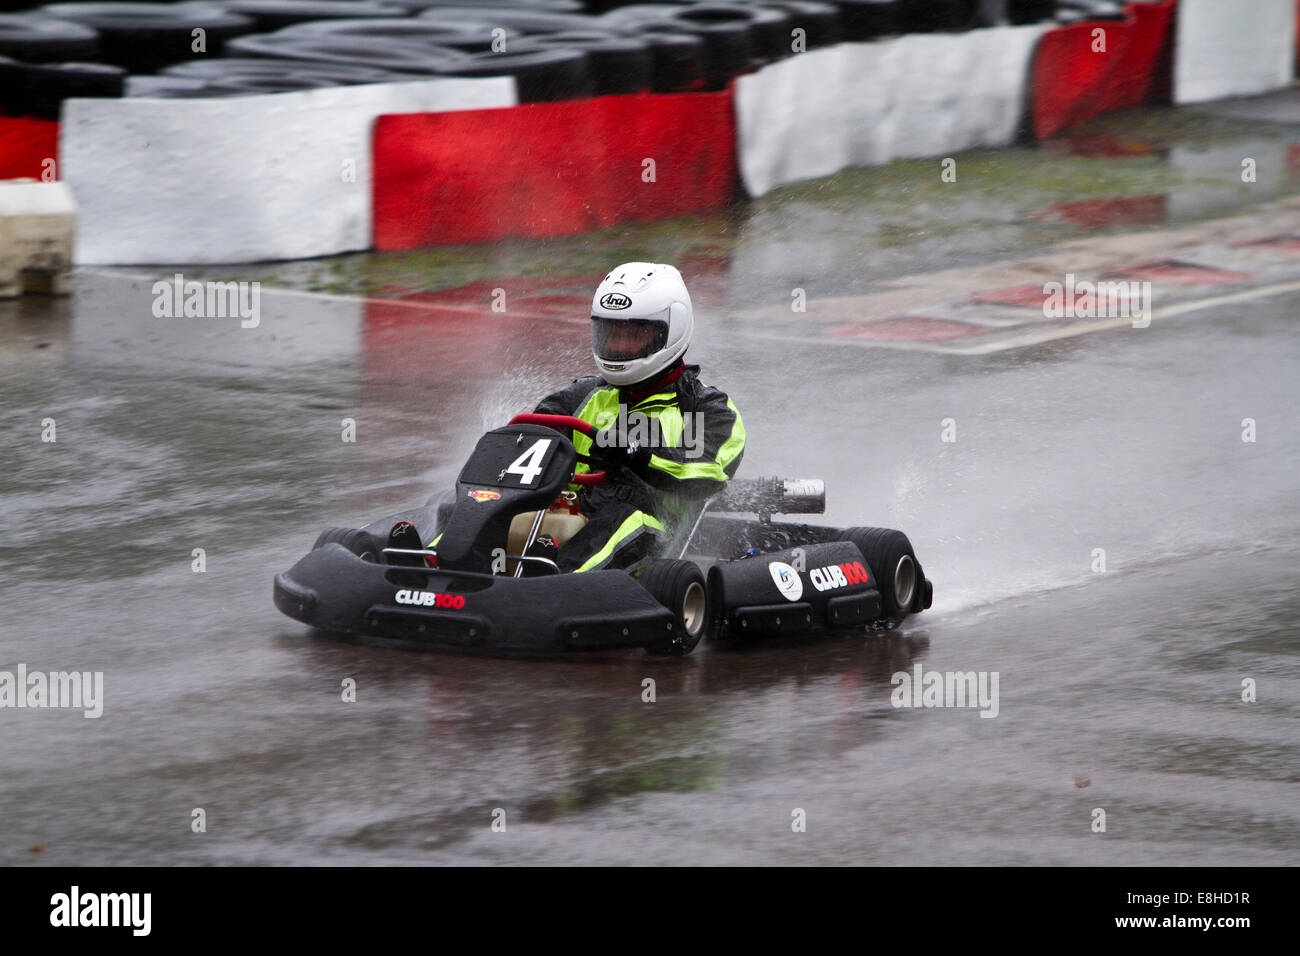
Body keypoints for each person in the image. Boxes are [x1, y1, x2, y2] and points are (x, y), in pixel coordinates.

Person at [529, 262, 746, 572]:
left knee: (624, 515)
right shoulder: (579, 397)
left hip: (654, 532)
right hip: (567, 516)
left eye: (634, 335)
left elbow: (706, 474)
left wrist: (634, 455)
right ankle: (441, 564)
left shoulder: (706, 409)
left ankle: (550, 584)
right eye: (611, 334)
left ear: (671, 330)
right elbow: (527, 442)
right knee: (484, 499)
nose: (619, 346)